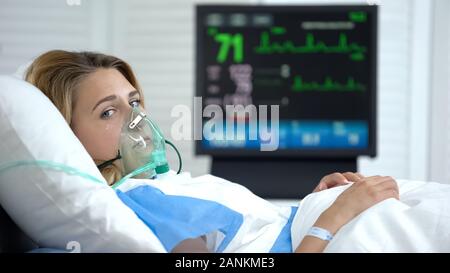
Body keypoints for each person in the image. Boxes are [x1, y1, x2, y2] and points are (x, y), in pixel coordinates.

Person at [24, 50, 400, 253]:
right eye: (108, 111)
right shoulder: (132, 208)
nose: (136, 119)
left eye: (134, 102)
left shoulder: (162, 186)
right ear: (68, 138)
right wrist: (332, 218)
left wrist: (310, 206)